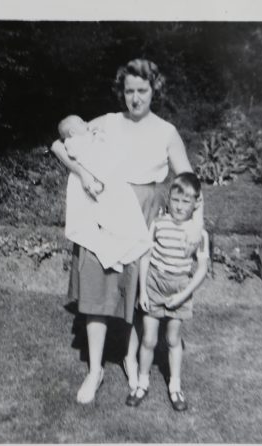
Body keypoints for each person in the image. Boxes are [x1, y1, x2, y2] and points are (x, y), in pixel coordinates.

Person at [50, 58, 203, 404]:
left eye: (142, 90)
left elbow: (190, 181)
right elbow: (61, 145)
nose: (135, 98)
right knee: (97, 287)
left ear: (154, 90)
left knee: (138, 295)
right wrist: (85, 174)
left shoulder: (166, 131)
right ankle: (95, 370)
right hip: (104, 209)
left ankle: (131, 359)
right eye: (129, 91)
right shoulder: (107, 122)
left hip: (145, 212)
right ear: (122, 92)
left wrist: (195, 223)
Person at [126, 172, 209, 411]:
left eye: (186, 201)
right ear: (168, 199)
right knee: (149, 339)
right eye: (175, 200)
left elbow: (202, 269)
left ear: (195, 204)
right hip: (154, 285)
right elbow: (146, 258)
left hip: (180, 288)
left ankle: (175, 386)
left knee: (173, 339)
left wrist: (183, 296)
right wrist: (143, 291)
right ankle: (142, 384)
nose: (180, 206)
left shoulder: (198, 234)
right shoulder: (159, 224)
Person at [58, 114, 151, 272]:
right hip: (94, 176)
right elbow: (83, 155)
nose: (86, 122)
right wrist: (95, 138)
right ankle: (113, 252)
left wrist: (98, 137)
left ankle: (117, 249)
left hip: (105, 175)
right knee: (108, 215)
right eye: (82, 122)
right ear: (73, 132)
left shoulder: (90, 133)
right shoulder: (73, 142)